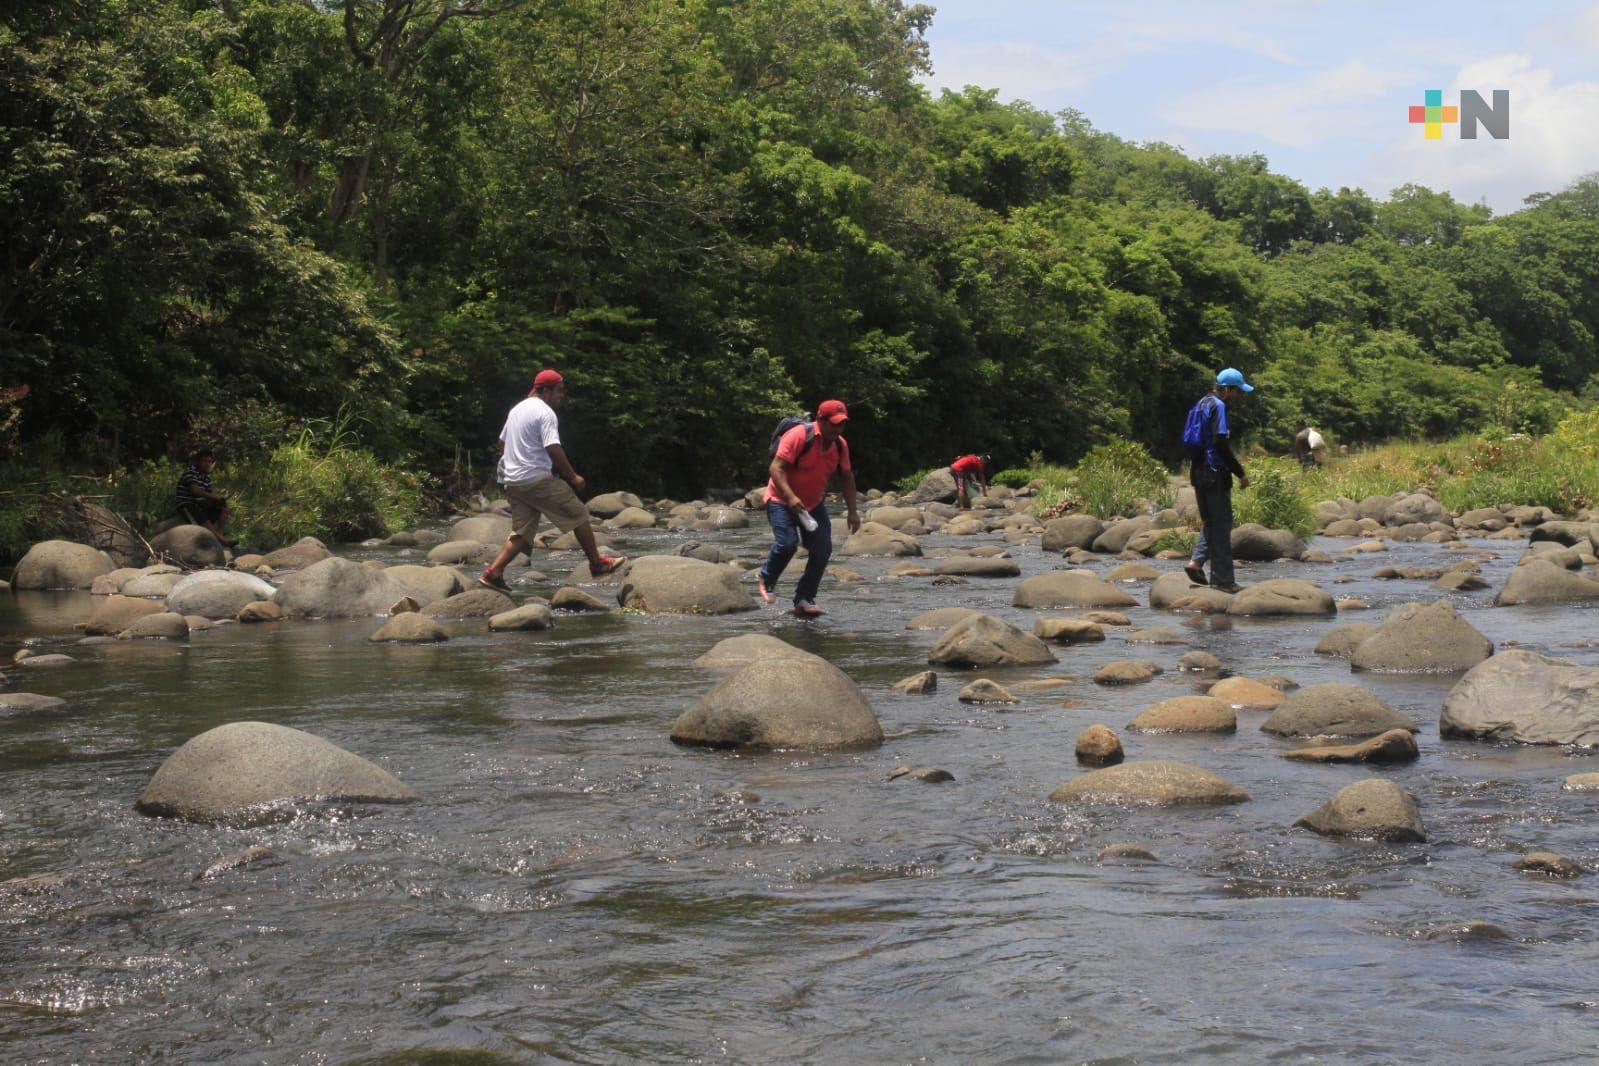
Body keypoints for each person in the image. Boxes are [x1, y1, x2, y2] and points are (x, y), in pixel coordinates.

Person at [478, 369, 625, 591]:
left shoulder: (517, 409)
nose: (562, 395)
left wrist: (517, 458)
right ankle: (597, 564)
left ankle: (493, 573)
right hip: (536, 480)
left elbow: (502, 444)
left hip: (513, 482)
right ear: (546, 390)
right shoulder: (545, 413)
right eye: (560, 390)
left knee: (522, 533)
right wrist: (573, 476)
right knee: (579, 514)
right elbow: (553, 447)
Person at [757, 398, 861, 618]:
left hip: (813, 504)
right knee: (787, 544)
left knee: (822, 550)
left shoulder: (840, 445)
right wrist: (790, 497)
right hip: (781, 501)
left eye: (841, 424)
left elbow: (846, 478)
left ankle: (804, 598)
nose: (838, 428)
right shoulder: (798, 437)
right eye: (833, 423)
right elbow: (776, 468)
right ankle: (766, 579)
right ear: (820, 420)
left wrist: (853, 511)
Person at [1183, 368, 1252, 593]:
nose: (1241, 396)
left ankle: (1195, 562)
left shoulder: (1201, 403)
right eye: (1238, 391)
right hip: (1215, 472)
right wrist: (1240, 472)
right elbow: (1220, 443)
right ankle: (1224, 581)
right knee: (1221, 524)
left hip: (1197, 470)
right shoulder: (1219, 406)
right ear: (1227, 389)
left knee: (1211, 521)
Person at [175, 449, 235, 547]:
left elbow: (209, 493)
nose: (207, 464)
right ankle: (221, 539)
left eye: (209, 461)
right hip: (186, 504)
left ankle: (219, 534)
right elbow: (195, 490)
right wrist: (214, 496)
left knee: (224, 508)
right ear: (198, 461)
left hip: (200, 504)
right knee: (200, 515)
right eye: (204, 461)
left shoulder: (206, 476)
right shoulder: (191, 471)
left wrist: (218, 501)